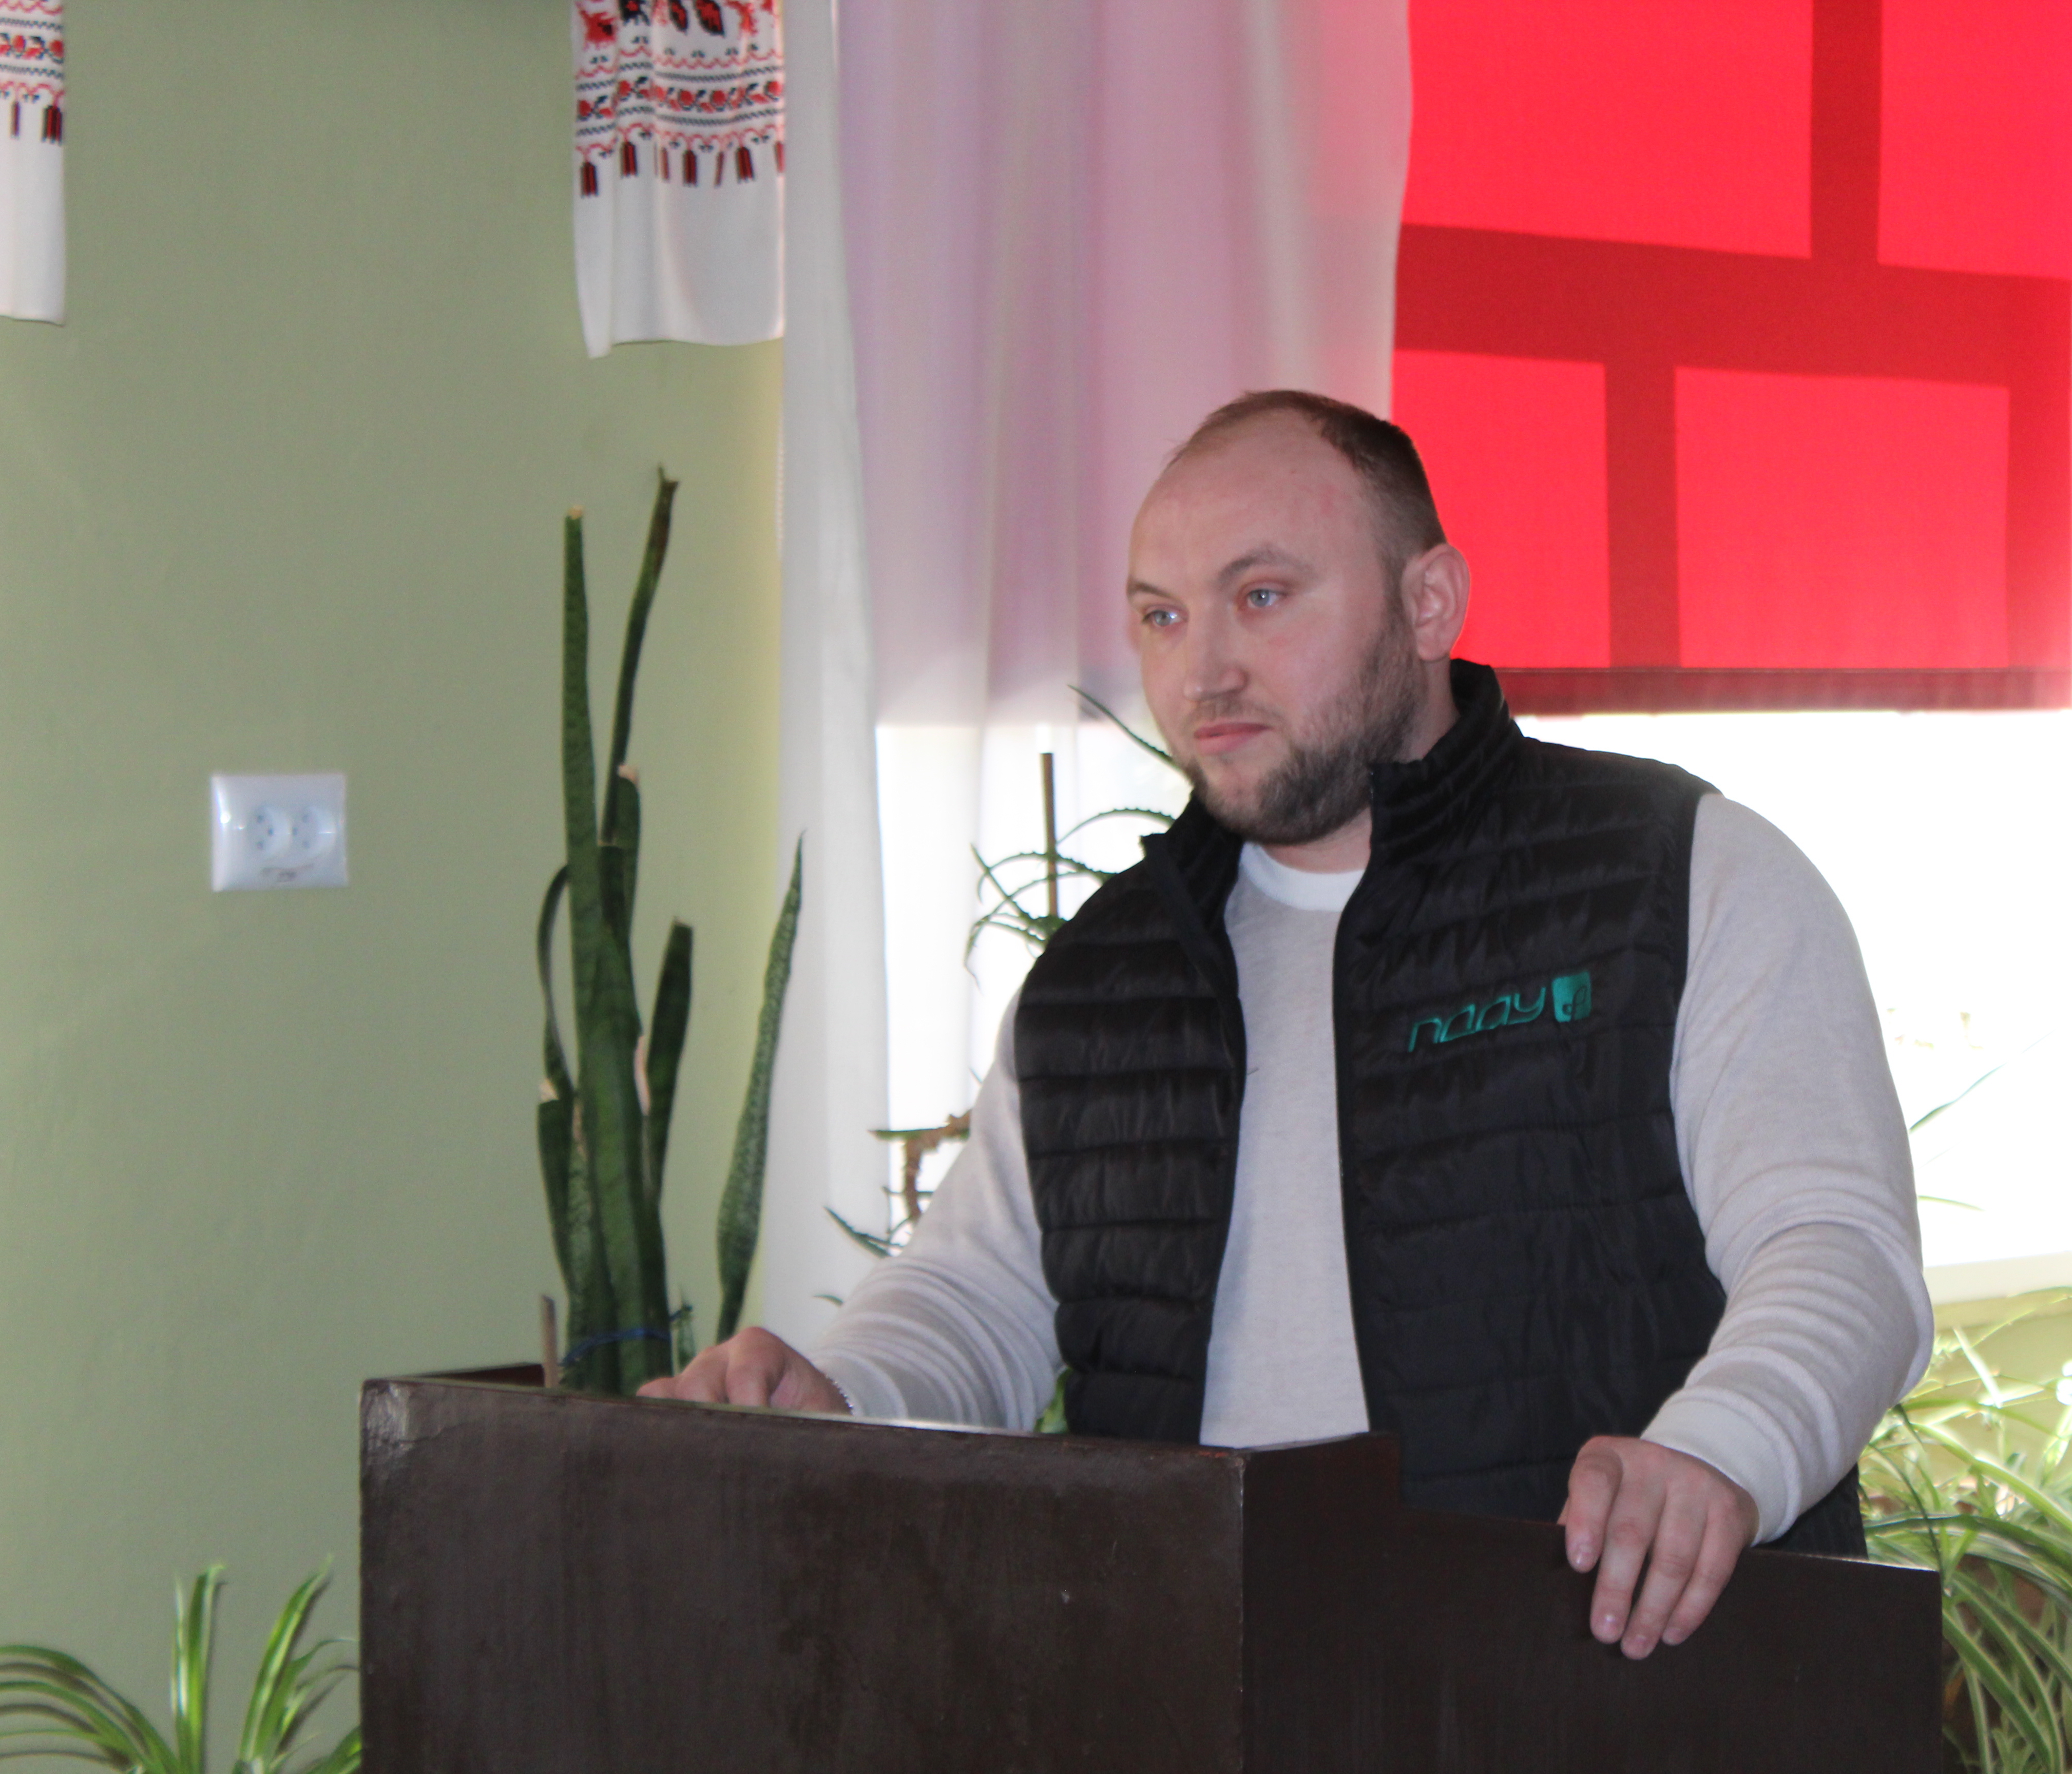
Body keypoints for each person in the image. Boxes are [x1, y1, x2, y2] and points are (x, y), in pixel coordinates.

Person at [646, 390, 1929, 1661]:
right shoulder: (1101, 977)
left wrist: (1722, 1451)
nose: (1202, 671)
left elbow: (1838, 1249)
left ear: (1430, 604)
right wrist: (843, 1394)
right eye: (1162, 615)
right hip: (1205, 1691)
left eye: (1261, 597)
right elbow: (978, 1298)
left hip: (1628, 1690)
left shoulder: (1682, 875)